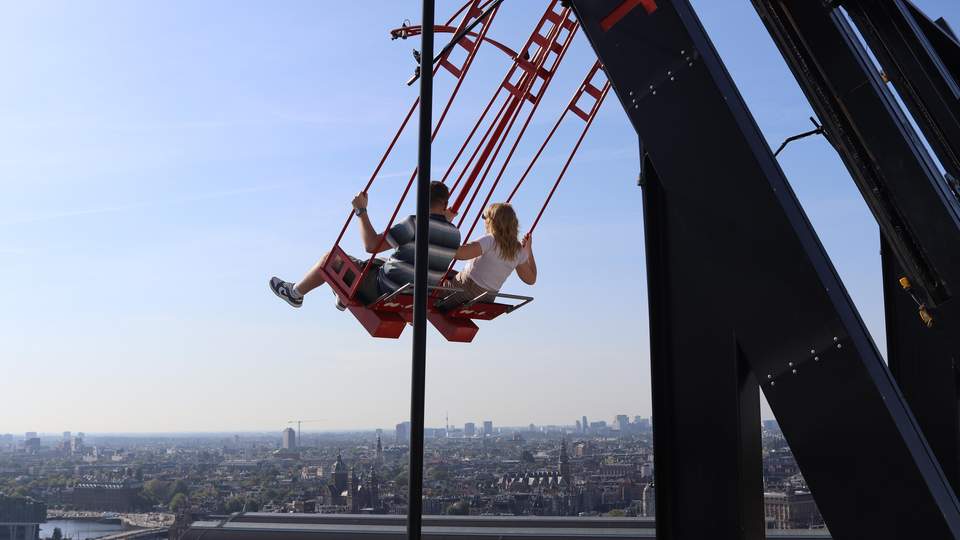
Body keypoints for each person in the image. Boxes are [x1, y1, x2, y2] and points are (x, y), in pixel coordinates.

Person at [270, 181, 461, 309]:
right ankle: (340, 295)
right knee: (384, 260)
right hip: (415, 300)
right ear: (445, 205)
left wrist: (361, 211)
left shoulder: (414, 224)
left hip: (384, 292)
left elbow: (371, 245)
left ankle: (295, 293)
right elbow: (432, 240)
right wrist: (445, 222)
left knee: (330, 259)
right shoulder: (454, 234)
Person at [435, 202, 537, 312]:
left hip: (465, 292)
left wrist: (446, 223)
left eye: (486, 218)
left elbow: (459, 254)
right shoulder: (518, 250)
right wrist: (528, 250)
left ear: (492, 221)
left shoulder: (490, 240)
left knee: (432, 279)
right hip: (487, 299)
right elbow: (531, 279)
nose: (485, 222)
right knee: (450, 274)